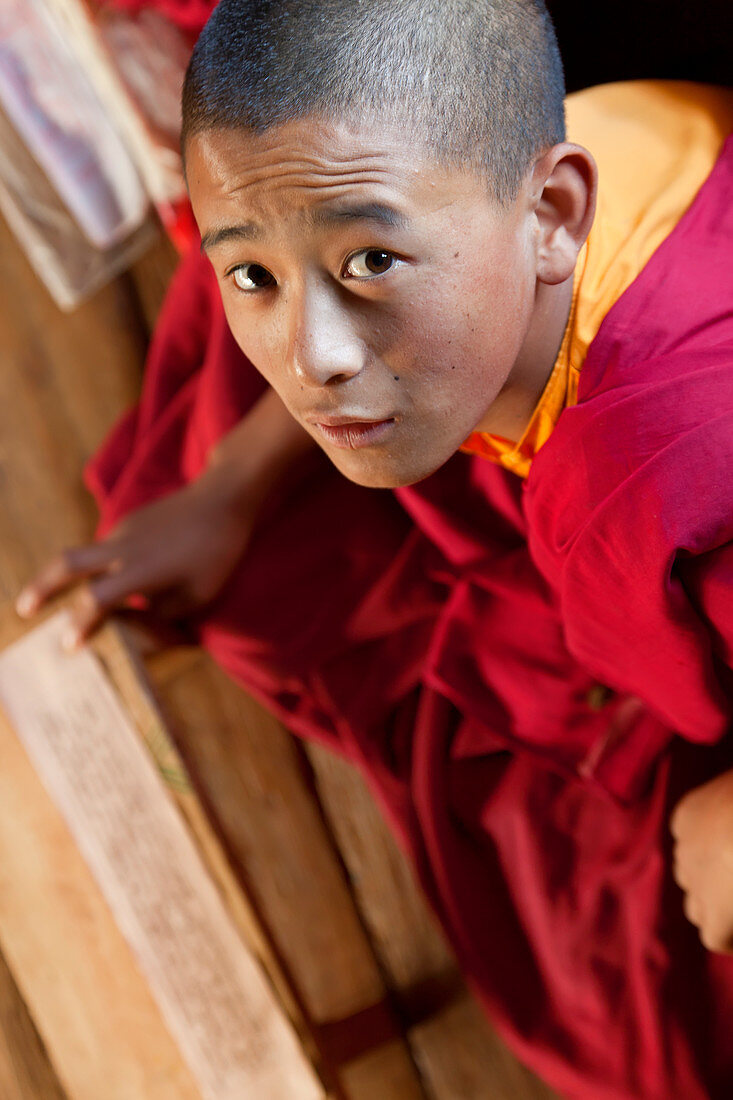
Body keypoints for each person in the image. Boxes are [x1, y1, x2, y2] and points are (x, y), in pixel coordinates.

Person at [15, 1, 733, 1096]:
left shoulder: (675, 472)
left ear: (553, 207)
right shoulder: (572, 153)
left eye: (371, 261)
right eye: (249, 277)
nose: (312, 360)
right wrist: (230, 485)